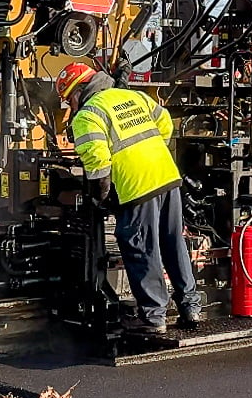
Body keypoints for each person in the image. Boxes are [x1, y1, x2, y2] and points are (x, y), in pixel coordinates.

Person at [56, 63, 201, 334]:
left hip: (136, 187)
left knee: (141, 247)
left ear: (76, 93)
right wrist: (152, 152)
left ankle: (153, 317)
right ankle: (190, 306)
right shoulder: (134, 96)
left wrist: (101, 196)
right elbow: (165, 122)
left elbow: (97, 163)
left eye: (68, 101)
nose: (70, 107)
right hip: (167, 176)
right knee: (173, 242)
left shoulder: (87, 116)